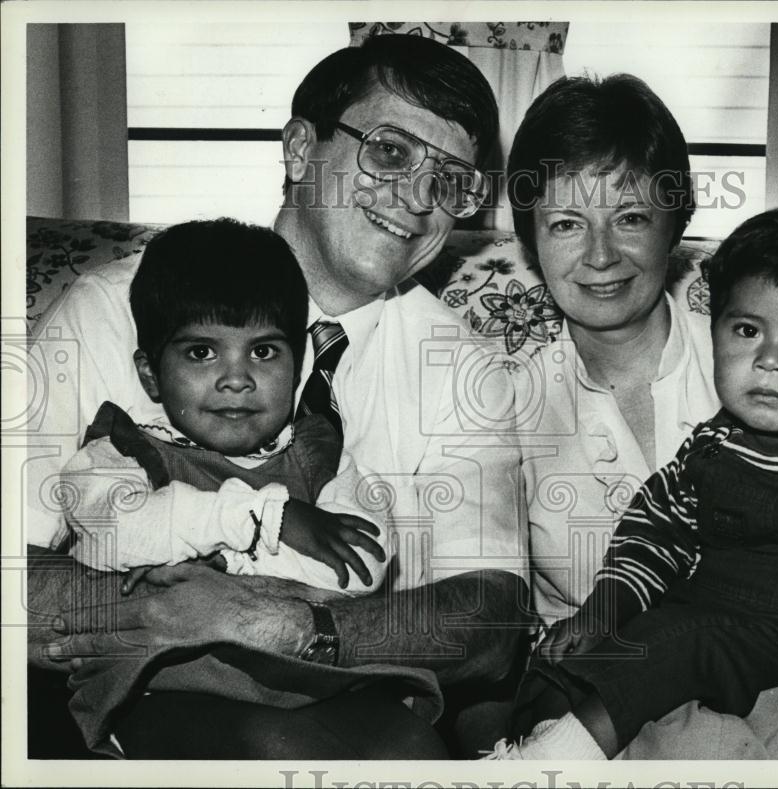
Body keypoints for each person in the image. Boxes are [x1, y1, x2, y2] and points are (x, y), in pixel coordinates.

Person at [27, 34, 528, 759]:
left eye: (452, 181)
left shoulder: (464, 370)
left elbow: (493, 618)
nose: (420, 200)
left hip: (352, 711)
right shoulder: (114, 307)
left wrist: (287, 627)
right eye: (390, 152)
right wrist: (165, 611)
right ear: (299, 149)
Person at [502, 75, 778, 759]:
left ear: (677, 221)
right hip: (617, 710)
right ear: (530, 240)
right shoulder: (506, 410)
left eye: (631, 217)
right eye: (566, 224)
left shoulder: (771, 354)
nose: (602, 254)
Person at [64, 218, 387, 594]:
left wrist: (225, 562)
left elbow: (363, 569)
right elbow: (117, 533)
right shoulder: (120, 452)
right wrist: (266, 519)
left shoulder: (323, 457)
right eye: (201, 352)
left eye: (263, 352)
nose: (236, 379)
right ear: (151, 374)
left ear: (297, 370)